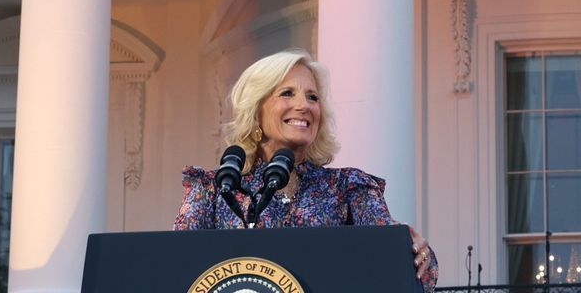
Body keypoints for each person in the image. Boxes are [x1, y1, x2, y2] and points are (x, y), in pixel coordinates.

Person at [175, 50, 438, 290]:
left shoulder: (348, 187)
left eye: (312, 97)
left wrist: (413, 250)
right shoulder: (215, 188)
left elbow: (410, 272)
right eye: (287, 93)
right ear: (256, 109)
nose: (304, 105)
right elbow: (176, 266)